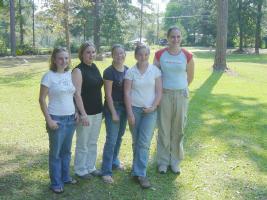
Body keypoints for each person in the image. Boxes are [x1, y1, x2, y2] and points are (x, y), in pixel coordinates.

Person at [153, 26, 194, 174]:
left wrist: (180, 89)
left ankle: (175, 161)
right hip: (164, 95)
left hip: (181, 95)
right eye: (172, 37)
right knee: (164, 128)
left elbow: (190, 77)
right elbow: (155, 76)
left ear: (181, 37)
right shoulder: (159, 54)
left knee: (178, 129)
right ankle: (163, 161)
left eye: (178, 37)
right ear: (168, 37)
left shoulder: (187, 55)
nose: (175, 39)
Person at [39, 47, 78, 194]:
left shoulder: (70, 75)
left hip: (71, 119)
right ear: (54, 60)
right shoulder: (48, 76)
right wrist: (49, 120)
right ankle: (56, 183)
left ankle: (65, 177)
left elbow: (74, 95)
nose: (64, 61)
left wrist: (77, 112)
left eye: (66, 58)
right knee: (55, 153)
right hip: (57, 120)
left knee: (66, 152)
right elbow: (41, 100)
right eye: (60, 58)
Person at [124, 45, 162, 189]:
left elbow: (159, 92)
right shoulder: (130, 72)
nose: (143, 57)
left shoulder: (155, 71)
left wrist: (153, 106)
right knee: (136, 141)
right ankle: (137, 169)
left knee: (144, 141)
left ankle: (141, 174)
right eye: (140, 54)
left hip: (150, 111)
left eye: (146, 54)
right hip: (135, 110)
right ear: (135, 56)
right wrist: (130, 113)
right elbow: (127, 93)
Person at [72, 41, 103, 179]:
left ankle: (91, 167)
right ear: (82, 54)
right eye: (88, 52)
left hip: (97, 111)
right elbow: (76, 94)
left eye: (93, 52)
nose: (91, 55)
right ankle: (80, 169)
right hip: (86, 113)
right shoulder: (78, 70)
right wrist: (82, 114)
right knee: (83, 142)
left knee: (93, 141)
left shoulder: (94, 67)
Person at [101, 44, 128, 184]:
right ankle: (106, 171)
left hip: (125, 107)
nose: (120, 56)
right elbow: (108, 96)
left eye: (122, 53)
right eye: (117, 53)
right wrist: (113, 113)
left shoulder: (128, 70)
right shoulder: (109, 72)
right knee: (111, 139)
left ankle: (114, 161)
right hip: (114, 107)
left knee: (119, 137)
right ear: (112, 55)